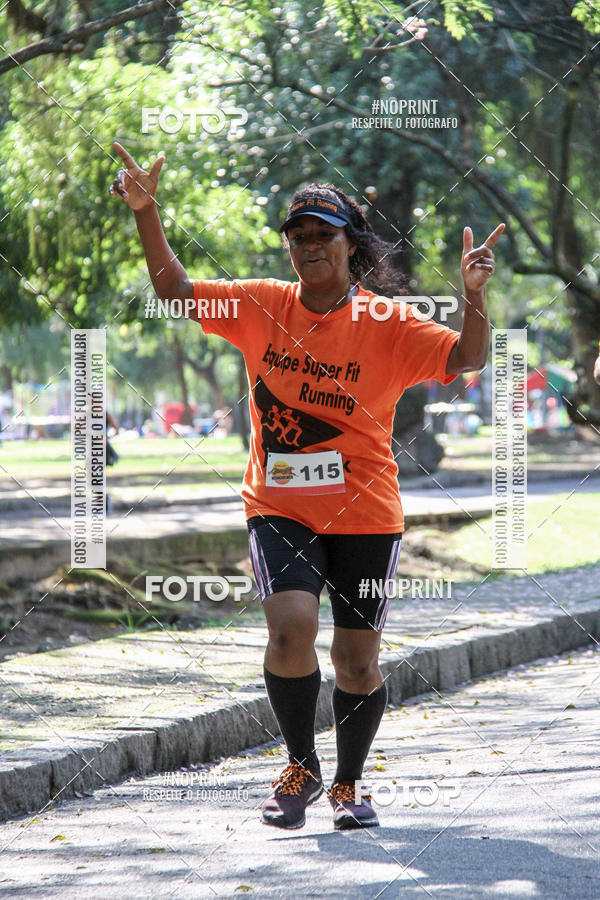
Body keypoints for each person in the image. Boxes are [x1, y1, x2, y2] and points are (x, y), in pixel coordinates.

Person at [110, 141, 503, 831]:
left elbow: (467, 358)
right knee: (290, 632)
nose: (310, 246)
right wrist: (147, 212)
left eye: (324, 234)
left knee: (355, 660)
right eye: (298, 237)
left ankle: (350, 783)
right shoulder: (261, 306)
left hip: (368, 513)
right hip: (279, 505)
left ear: (352, 245)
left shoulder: (389, 321)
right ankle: (300, 766)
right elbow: (173, 290)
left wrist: (473, 298)